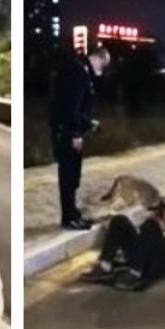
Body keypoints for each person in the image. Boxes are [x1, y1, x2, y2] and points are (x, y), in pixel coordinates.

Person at [49, 47, 111, 230]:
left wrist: (88, 123)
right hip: (67, 133)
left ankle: (72, 212)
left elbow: (75, 107)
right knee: (68, 176)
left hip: (68, 130)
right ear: (98, 58)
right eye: (103, 65)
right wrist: (74, 133)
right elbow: (70, 106)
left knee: (73, 175)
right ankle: (68, 218)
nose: (102, 70)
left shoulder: (79, 70)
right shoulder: (78, 72)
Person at [79, 211, 165, 291]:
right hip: (146, 252)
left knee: (150, 224)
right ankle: (105, 267)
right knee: (120, 220)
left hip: (163, 262)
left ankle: (134, 275)